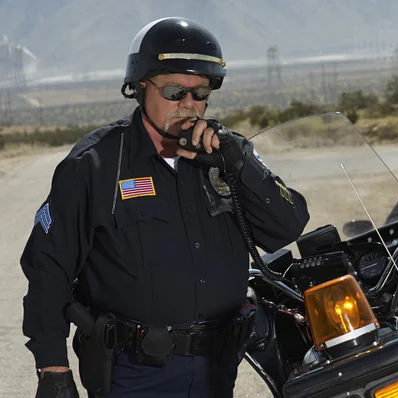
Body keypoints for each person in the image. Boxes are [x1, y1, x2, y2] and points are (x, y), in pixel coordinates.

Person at [21, 17, 310, 398]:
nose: (189, 104)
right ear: (141, 87)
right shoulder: (95, 164)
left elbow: (287, 226)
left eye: (201, 91)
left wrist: (242, 166)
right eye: (175, 90)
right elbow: (48, 268)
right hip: (133, 373)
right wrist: (53, 370)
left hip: (216, 369)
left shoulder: (226, 155)